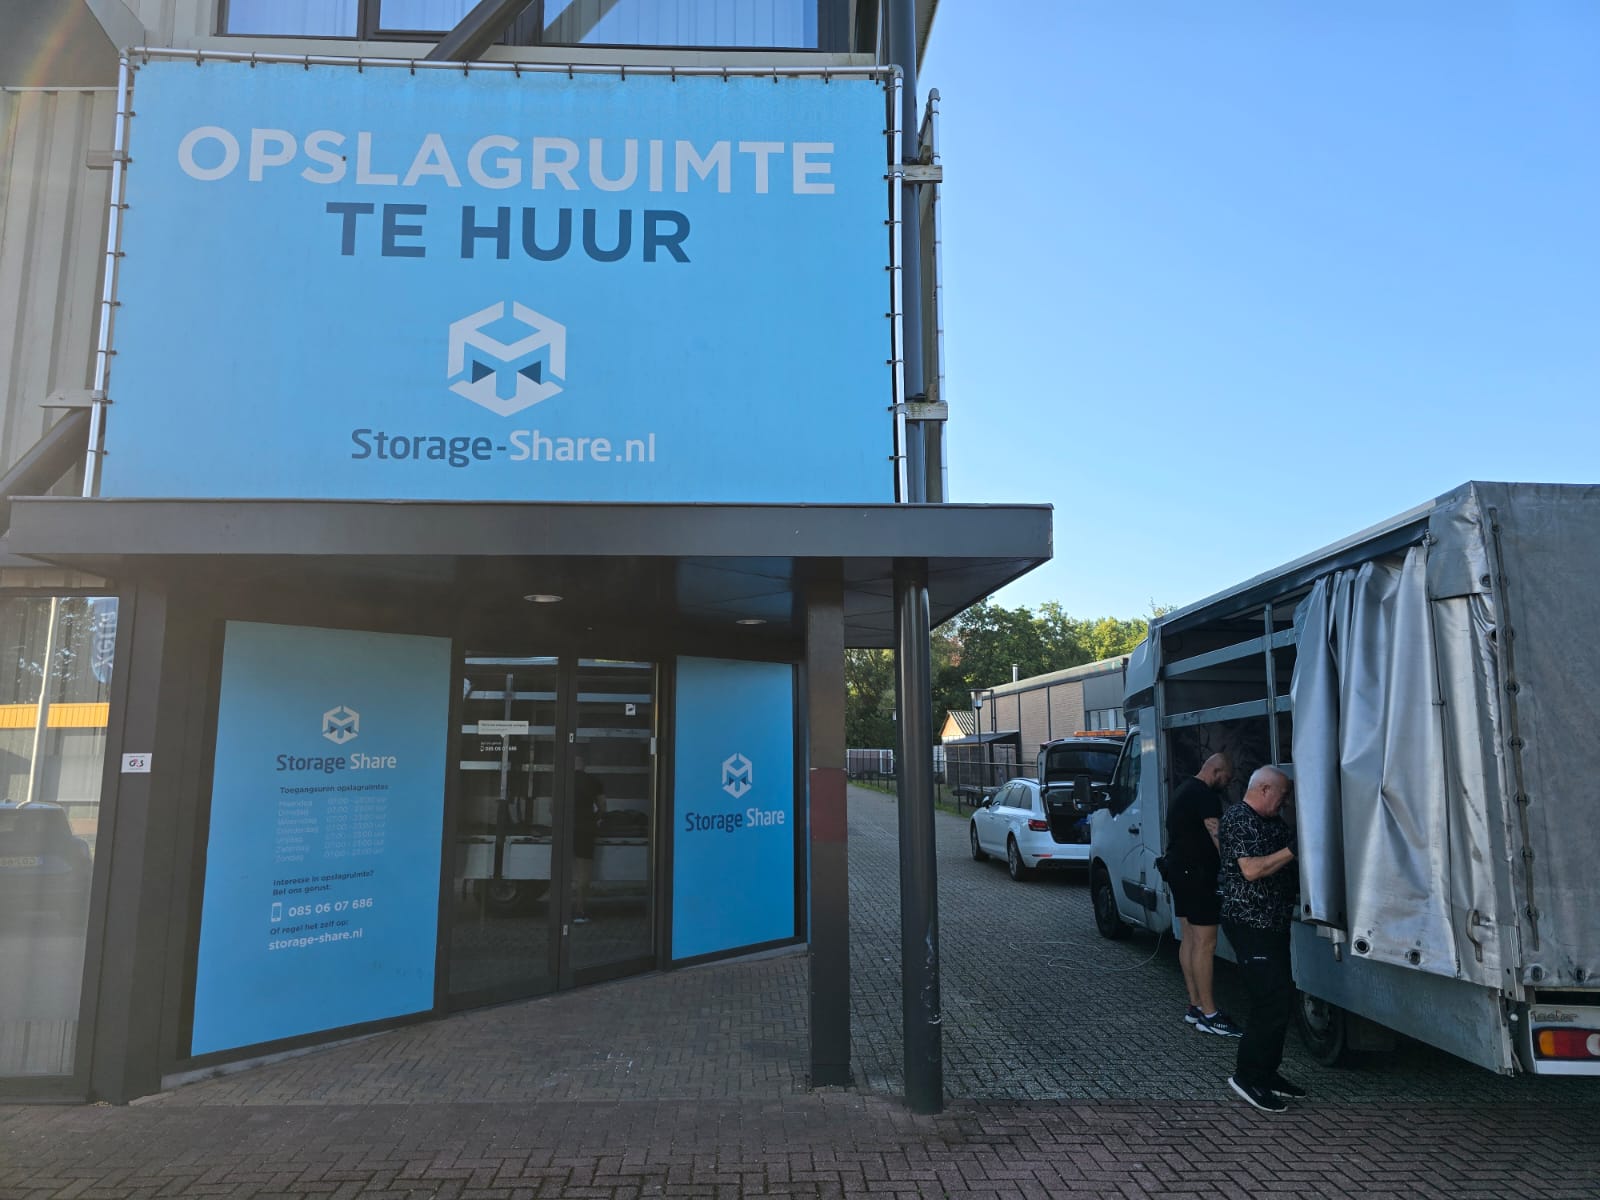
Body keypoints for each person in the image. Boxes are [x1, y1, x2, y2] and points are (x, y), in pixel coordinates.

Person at [1217, 765, 1304, 1112]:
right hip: (1249, 924)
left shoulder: (1273, 823)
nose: (1284, 804)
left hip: (1273, 924)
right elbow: (1251, 870)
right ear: (1265, 789)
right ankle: (1248, 1077)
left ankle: (1267, 1073)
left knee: (1281, 1000)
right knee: (1269, 1000)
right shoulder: (1239, 819)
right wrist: (1293, 850)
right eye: (1282, 796)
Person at [1164, 752, 1241, 1037]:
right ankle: (1210, 1014)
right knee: (1206, 944)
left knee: (1190, 940)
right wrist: (1237, 870)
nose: (1227, 783)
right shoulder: (1205, 795)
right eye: (1227, 778)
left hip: (1177, 871)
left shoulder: (1183, 789)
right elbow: (1217, 836)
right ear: (1216, 771)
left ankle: (1195, 1007)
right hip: (1196, 876)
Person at [571, 754, 606, 924]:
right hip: (585, 829)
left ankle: (560, 910)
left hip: (565, 829)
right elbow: (602, 807)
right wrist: (594, 818)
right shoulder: (593, 781)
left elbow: (552, 807)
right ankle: (580, 911)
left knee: (562, 871)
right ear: (583, 765)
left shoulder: (562, 779)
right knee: (583, 873)